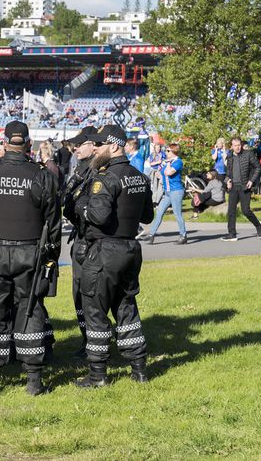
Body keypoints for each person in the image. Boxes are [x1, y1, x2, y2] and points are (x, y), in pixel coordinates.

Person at [0, 120, 61, 396]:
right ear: (29, 144)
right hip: (30, 252)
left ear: (3, 143)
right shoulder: (42, 176)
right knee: (30, 310)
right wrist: (50, 256)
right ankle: (33, 378)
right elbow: (53, 223)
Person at [70, 125, 154, 388]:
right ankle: (139, 369)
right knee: (126, 307)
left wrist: (81, 206)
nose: (95, 149)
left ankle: (97, 375)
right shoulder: (140, 176)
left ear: (114, 146)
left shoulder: (105, 178)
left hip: (105, 251)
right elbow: (147, 217)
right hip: (131, 250)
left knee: (95, 311)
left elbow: (99, 216)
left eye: (100, 145)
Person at [61, 125, 98, 357]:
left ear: (93, 145)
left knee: (89, 294)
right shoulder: (82, 168)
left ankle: (94, 342)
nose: (75, 148)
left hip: (90, 239)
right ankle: (87, 340)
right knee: (79, 294)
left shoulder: (95, 170)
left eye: (80, 144)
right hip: (80, 236)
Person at [142, 144, 188, 245]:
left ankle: (183, 235)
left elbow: (168, 173)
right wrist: (159, 174)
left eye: (168, 151)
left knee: (177, 214)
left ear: (173, 152)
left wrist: (167, 164)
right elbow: (160, 172)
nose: (165, 153)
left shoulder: (178, 162)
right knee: (159, 212)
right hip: (167, 192)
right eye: (166, 151)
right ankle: (151, 235)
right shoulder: (167, 161)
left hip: (176, 191)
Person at [222, 137, 261, 241]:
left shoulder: (248, 154)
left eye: (239, 145)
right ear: (231, 146)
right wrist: (227, 181)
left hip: (245, 186)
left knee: (245, 210)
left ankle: (258, 225)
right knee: (231, 211)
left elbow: (258, 167)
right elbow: (228, 172)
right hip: (233, 187)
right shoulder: (230, 156)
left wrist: (251, 180)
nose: (237, 147)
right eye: (235, 145)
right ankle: (232, 234)